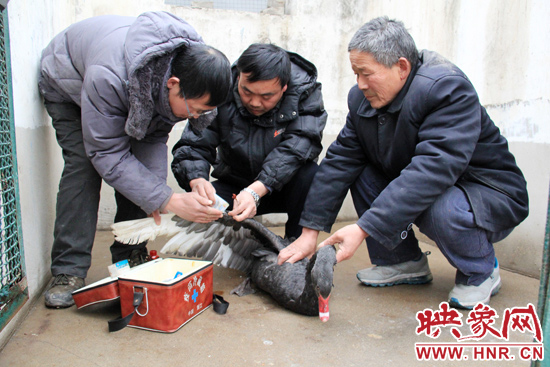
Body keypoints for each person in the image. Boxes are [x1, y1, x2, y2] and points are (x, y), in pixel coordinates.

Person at [278, 16, 529, 309]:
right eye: (355, 74)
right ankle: (403, 261)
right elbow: (340, 161)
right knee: (359, 171)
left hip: (488, 194)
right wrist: (310, 232)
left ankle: (481, 271)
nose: (359, 84)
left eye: (366, 73)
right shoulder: (362, 100)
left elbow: (432, 171)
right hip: (439, 187)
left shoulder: (446, 88)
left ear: (402, 67)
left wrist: (361, 229)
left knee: (439, 203)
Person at [38, 11, 232, 308]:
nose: (194, 118)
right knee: (84, 166)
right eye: (193, 110)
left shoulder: (189, 70)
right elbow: (106, 153)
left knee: (142, 181)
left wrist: (155, 197)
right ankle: (68, 270)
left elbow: (152, 139)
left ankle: (130, 252)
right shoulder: (110, 76)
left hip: (123, 83)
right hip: (69, 84)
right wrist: (167, 200)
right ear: (173, 83)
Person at [172, 43, 327, 239]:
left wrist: (256, 190)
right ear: (238, 78)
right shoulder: (221, 89)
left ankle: (296, 248)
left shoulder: (305, 93)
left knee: (310, 175)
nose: (254, 102)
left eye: (266, 96)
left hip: (283, 186)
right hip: (237, 186)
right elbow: (194, 144)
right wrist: (197, 180)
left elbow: (298, 147)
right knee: (201, 207)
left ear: (284, 87)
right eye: (247, 92)